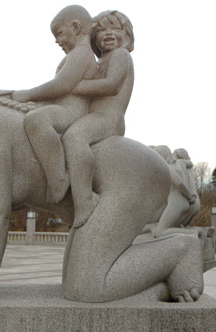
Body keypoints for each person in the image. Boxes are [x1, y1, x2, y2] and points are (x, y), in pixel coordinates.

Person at [12, 5, 97, 204]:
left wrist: (28, 95)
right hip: (63, 108)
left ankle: (59, 178)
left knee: (37, 120)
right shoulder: (75, 55)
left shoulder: (82, 54)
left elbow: (61, 85)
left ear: (76, 28)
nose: (57, 41)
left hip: (72, 112)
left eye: (59, 34)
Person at [62, 10, 135, 228]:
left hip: (108, 117)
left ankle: (85, 199)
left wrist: (74, 87)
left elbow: (111, 85)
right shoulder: (100, 60)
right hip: (93, 115)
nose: (107, 33)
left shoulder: (121, 56)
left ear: (127, 34)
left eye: (114, 28)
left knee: (74, 137)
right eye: (101, 30)